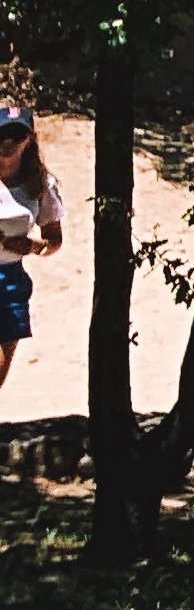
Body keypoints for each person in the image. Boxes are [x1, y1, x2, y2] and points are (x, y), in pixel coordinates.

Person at [0, 103, 63, 395]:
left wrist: (31, 246)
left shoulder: (40, 185)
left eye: (17, 133)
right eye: (2, 133)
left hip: (11, 279)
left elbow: (54, 241)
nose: (8, 141)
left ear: (30, 139)